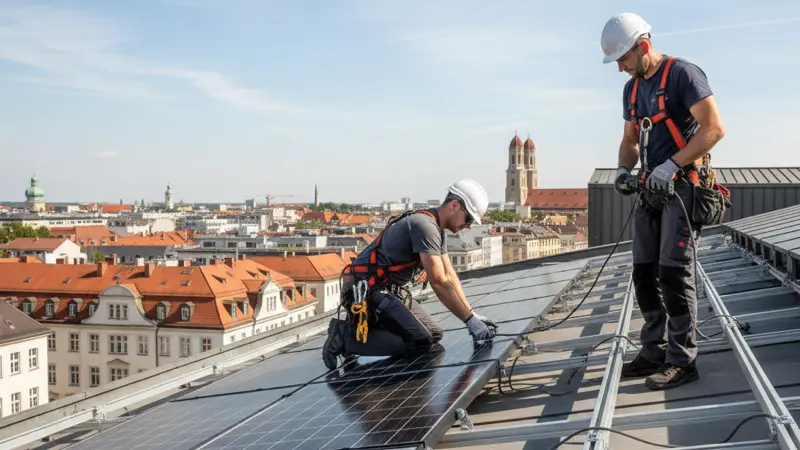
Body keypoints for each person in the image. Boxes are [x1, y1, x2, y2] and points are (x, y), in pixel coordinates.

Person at [601, 13, 725, 390]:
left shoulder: (683, 75)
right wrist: (623, 172)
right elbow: (630, 141)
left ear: (643, 47)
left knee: (672, 273)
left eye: (623, 59)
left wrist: (672, 164)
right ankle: (652, 351)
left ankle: (681, 359)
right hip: (651, 191)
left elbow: (714, 129)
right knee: (643, 272)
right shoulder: (633, 90)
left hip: (683, 188)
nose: (620, 68)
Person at [322, 179, 499, 370]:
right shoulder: (425, 226)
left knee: (433, 334)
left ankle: (361, 336)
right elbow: (438, 282)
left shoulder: (437, 229)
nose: (469, 226)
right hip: (366, 289)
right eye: (469, 219)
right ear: (454, 206)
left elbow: (449, 276)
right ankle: (345, 337)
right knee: (420, 340)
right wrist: (468, 321)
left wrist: (471, 315)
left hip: (384, 290)